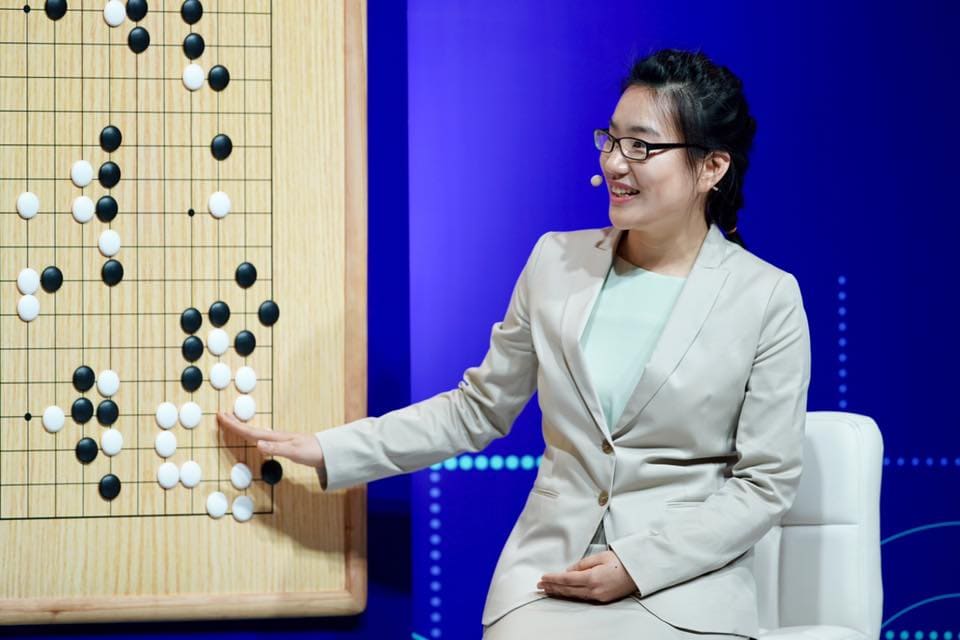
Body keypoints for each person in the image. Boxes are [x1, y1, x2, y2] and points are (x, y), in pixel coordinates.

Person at [217, 48, 811, 639]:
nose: (616, 164)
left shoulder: (766, 298)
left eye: (643, 147)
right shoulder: (555, 261)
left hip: (685, 588)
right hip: (551, 577)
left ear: (711, 169)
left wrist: (638, 566)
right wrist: (328, 448)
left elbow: (765, 485)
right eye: (612, 139)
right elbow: (477, 410)